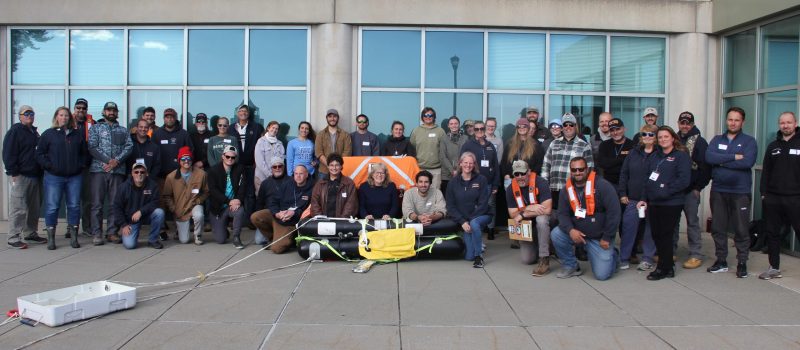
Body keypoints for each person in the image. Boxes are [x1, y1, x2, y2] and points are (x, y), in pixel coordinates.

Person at [705, 107, 758, 278]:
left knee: (741, 229)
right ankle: (721, 261)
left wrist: (721, 161)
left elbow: (747, 162)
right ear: (726, 120)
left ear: (742, 122)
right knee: (718, 228)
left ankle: (742, 262)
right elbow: (709, 157)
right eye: (730, 119)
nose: (733, 123)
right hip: (719, 190)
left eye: (736, 120)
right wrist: (735, 156)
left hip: (740, 192)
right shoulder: (716, 139)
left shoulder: (749, 141)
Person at [550, 157, 620, 280]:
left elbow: (614, 213)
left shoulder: (603, 186)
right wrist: (571, 230)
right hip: (577, 233)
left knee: (602, 275)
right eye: (574, 170)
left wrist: (607, 237)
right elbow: (562, 214)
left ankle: (613, 254)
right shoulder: (566, 189)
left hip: (599, 237)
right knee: (556, 234)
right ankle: (571, 265)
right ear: (570, 171)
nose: (578, 172)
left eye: (581, 169)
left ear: (587, 169)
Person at [636, 126, 691, 280]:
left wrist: (665, 190)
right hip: (654, 202)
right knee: (656, 234)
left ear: (673, 138)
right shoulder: (655, 156)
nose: (663, 140)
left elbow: (684, 180)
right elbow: (647, 179)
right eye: (660, 137)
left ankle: (662, 267)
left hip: (672, 202)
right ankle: (668, 267)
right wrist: (643, 198)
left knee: (666, 235)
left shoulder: (681, 156)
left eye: (666, 136)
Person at [36, 106, 88, 249]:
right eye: (61, 115)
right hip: (54, 177)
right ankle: (51, 238)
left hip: (74, 177)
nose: (64, 118)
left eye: (66, 115)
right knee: (52, 207)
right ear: (56, 117)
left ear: (70, 118)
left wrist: (81, 165)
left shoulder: (77, 135)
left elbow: (85, 153)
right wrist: (49, 166)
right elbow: (39, 154)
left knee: (74, 206)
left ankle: (74, 237)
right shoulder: (48, 134)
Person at [759, 112, 800, 280]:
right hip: (773, 198)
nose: (785, 125)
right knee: (772, 233)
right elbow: (766, 172)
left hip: (795, 198)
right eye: (782, 123)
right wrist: (763, 194)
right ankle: (774, 267)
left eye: (789, 122)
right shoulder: (773, 146)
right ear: (779, 125)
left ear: (795, 123)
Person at [88, 102, 133, 246]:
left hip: (117, 171)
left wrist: (116, 161)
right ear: (104, 112)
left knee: (115, 203)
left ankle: (112, 232)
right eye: (109, 110)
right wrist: (108, 161)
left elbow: (129, 146)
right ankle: (97, 233)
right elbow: (92, 147)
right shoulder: (95, 128)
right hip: (98, 170)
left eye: (114, 110)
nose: (111, 112)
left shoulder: (123, 130)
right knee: (97, 204)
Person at [3, 105, 44, 249]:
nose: (29, 116)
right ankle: (13, 237)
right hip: (20, 175)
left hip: (35, 175)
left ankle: (30, 233)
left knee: (34, 208)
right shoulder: (15, 131)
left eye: (31, 113)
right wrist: (13, 172)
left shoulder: (34, 132)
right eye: (26, 113)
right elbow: (8, 153)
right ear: (20, 116)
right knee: (18, 207)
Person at [618, 124, 659, 271]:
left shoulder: (660, 155)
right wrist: (622, 193)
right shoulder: (633, 153)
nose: (647, 137)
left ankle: (647, 259)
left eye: (651, 134)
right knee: (628, 229)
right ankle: (624, 258)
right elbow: (624, 174)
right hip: (633, 199)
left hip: (652, 200)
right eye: (644, 134)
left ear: (656, 137)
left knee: (650, 231)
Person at [674, 111, 712, 269]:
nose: (685, 125)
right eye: (682, 122)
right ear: (678, 123)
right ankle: (671, 250)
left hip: (691, 190)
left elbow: (706, 168)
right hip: (675, 190)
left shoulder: (700, 142)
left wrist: (698, 188)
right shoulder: (673, 140)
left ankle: (696, 254)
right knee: (673, 222)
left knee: (692, 223)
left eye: (687, 123)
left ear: (693, 124)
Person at [251, 164, 315, 254]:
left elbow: (309, 210)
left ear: (307, 174)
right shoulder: (287, 184)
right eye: (296, 174)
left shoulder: (313, 188)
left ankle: (290, 239)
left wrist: (293, 213)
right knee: (255, 216)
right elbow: (273, 201)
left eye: (301, 174)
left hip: (293, 222)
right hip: (280, 216)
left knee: (277, 249)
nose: (298, 176)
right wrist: (277, 213)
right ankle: (273, 238)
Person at [541, 113, 595, 214]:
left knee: (576, 217)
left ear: (575, 126)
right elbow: (546, 165)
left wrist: (583, 189)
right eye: (565, 125)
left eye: (571, 124)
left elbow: (590, 170)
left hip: (575, 190)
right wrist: (545, 185)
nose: (568, 127)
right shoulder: (554, 143)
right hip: (554, 189)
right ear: (562, 128)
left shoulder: (584, 145)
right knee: (554, 218)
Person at [506, 160, 552, 275]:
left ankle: (544, 258)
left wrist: (523, 214)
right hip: (527, 226)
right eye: (517, 174)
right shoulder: (510, 188)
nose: (520, 177)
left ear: (529, 172)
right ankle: (546, 246)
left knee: (541, 219)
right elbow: (512, 214)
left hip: (544, 221)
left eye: (523, 173)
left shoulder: (541, 182)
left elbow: (547, 209)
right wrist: (530, 207)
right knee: (527, 260)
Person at [446, 152, 491, 268]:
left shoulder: (481, 179)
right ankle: (476, 245)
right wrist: (462, 221)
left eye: (471, 163)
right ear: (460, 163)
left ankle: (479, 257)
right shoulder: (452, 183)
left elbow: (483, 204)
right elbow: (450, 207)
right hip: (464, 221)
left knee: (475, 224)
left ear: (474, 165)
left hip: (481, 215)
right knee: (468, 257)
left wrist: (469, 220)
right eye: (465, 162)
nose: (468, 165)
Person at [460, 121, 500, 239]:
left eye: (481, 129)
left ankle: (491, 229)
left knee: (489, 206)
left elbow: (496, 166)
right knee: (475, 209)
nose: (479, 131)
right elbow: (462, 163)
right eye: (476, 129)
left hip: (488, 183)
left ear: (485, 129)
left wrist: (496, 185)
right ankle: (477, 236)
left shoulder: (490, 145)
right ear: (473, 130)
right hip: (472, 183)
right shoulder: (468, 145)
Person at [162, 147, 209, 245]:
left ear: (192, 160)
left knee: (199, 215)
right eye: (183, 159)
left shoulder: (202, 174)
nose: (186, 161)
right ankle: (179, 230)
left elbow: (206, 191)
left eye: (189, 158)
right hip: (180, 210)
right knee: (184, 241)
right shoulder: (171, 177)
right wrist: (174, 208)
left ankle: (198, 235)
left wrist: (199, 200)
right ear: (179, 161)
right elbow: (167, 196)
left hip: (195, 204)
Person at [113, 163, 165, 249]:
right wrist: (124, 225)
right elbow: (117, 207)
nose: (139, 174)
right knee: (130, 245)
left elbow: (155, 202)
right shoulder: (123, 187)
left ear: (146, 173)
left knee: (159, 213)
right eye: (136, 172)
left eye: (142, 172)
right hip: (130, 220)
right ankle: (130, 235)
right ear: (132, 173)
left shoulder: (153, 185)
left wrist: (141, 211)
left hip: (146, 215)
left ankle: (153, 240)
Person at [230, 105, 265, 226]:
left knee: (250, 193)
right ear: (237, 113)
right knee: (235, 192)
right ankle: (234, 219)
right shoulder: (231, 128)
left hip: (251, 165)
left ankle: (250, 220)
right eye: (240, 111)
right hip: (235, 165)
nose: (243, 113)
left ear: (249, 114)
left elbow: (261, 145)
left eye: (245, 111)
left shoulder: (256, 127)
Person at [207, 145, 248, 248]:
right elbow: (213, 191)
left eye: (233, 157)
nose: (230, 159)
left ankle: (236, 237)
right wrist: (228, 201)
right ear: (223, 156)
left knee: (240, 211)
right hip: (218, 208)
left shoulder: (240, 168)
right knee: (220, 239)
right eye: (228, 156)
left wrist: (238, 200)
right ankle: (223, 228)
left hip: (233, 206)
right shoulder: (213, 170)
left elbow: (242, 186)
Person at [252, 157, 290, 246]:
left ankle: (277, 236)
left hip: (284, 216)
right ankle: (272, 236)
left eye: (280, 166)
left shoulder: (291, 181)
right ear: (271, 168)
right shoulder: (265, 183)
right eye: (274, 167)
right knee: (259, 240)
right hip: (270, 214)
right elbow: (260, 203)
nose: (277, 169)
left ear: (283, 167)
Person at [73, 98, 95, 238]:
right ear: (74, 109)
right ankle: (71, 227)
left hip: (87, 167)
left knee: (87, 200)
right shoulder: (67, 123)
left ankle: (86, 227)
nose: (81, 110)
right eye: (78, 108)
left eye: (83, 108)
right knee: (72, 200)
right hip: (71, 168)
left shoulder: (92, 124)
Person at [152, 108, 193, 181]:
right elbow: (153, 153)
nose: (169, 119)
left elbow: (191, 151)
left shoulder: (184, 134)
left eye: (172, 117)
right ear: (164, 119)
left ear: (175, 118)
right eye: (167, 117)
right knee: (164, 192)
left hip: (180, 174)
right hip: (161, 175)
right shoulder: (157, 134)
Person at [501, 118, 544, 188]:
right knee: (511, 198)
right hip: (512, 179)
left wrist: (532, 174)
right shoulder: (510, 143)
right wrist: (506, 174)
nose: (522, 128)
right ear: (517, 129)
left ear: (528, 128)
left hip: (528, 180)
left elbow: (539, 163)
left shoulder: (535, 144)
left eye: (524, 126)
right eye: (519, 126)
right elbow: (504, 161)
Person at [410, 107, 446, 189]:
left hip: (436, 170)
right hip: (419, 169)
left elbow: (444, 150)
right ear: (422, 117)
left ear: (434, 117)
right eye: (425, 115)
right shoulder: (416, 131)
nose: (428, 117)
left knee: (435, 194)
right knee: (420, 195)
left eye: (430, 115)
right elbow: (412, 149)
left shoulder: (440, 131)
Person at [595, 118, 634, 187]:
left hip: (628, 185)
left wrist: (611, 163)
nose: (615, 133)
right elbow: (602, 163)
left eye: (618, 129)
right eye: (612, 130)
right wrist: (622, 160)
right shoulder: (604, 145)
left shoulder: (632, 145)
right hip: (608, 184)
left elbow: (632, 166)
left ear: (624, 129)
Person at [315, 109, 352, 178]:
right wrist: (330, 165)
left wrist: (337, 166)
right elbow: (318, 152)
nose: (332, 119)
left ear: (338, 118)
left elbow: (347, 152)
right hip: (324, 171)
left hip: (341, 171)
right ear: (327, 118)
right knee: (323, 189)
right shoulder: (320, 135)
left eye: (334, 116)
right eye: (330, 116)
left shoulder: (345, 134)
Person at [254, 120, 286, 193]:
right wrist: (269, 174)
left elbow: (281, 160)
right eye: (273, 127)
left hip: (276, 176)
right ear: (268, 128)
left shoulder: (279, 143)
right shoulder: (261, 141)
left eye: (276, 129)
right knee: (261, 199)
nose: (274, 130)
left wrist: (276, 173)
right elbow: (259, 161)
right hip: (261, 176)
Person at [439, 116, 466, 195]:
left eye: (456, 123)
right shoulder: (444, 139)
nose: (454, 125)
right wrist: (452, 170)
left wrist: (458, 170)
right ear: (448, 126)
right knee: (447, 197)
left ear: (459, 125)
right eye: (451, 124)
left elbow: (466, 156)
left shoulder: (465, 138)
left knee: (460, 197)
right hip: (447, 175)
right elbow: (443, 156)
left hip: (462, 173)